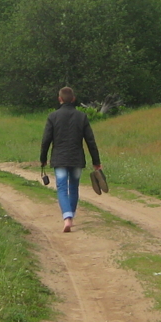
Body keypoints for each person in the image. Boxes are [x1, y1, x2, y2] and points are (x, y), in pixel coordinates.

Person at [40, 86, 102, 233]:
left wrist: (43, 159)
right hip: (76, 158)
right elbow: (90, 141)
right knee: (73, 187)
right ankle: (71, 217)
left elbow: (46, 140)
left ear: (59, 99)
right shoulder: (82, 117)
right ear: (73, 99)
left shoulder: (53, 116)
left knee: (62, 187)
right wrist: (96, 162)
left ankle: (66, 217)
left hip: (59, 158)